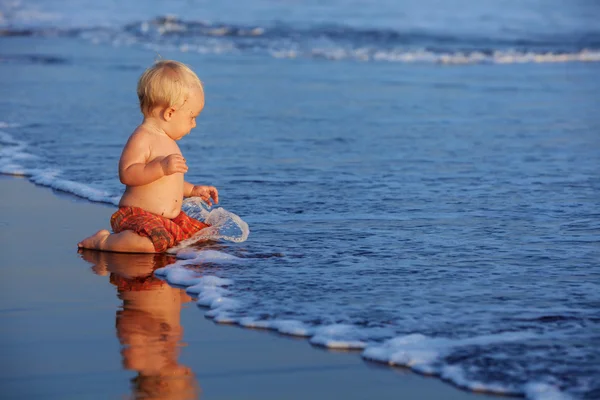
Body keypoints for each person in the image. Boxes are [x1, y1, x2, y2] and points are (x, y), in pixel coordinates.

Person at [78, 60, 218, 253]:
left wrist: (193, 189)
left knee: (205, 237)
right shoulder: (142, 137)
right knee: (151, 245)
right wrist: (160, 167)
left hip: (168, 218)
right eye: (192, 117)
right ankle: (103, 241)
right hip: (138, 216)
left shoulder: (170, 143)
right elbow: (127, 174)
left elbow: (169, 183)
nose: (194, 124)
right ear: (170, 113)